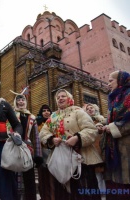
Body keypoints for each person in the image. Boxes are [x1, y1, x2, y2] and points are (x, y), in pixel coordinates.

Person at [39, 89, 103, 200]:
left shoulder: (78, 112)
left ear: (69, 98)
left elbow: (91, 130)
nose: (60, 98)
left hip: (82, 159)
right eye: (58, 97)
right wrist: (51, 139)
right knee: (64, 194)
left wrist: (77, 138)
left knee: (84, 193)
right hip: (62, 161)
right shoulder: (53, 116)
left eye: (63, 96)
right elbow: (43, 133)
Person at [100, 70, 130, 200]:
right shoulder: (114, 98)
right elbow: (112, 120)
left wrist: (112, 127)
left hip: (127, 148)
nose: (108, 84)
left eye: (111, 80)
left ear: (121, 80)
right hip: (113, 148)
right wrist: (104, 125)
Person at [9, 90, 42, 200]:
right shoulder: (11, 114)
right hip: (14, 147)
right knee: (14, 176)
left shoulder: (31, 117)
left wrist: (38, 155)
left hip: (27, 149)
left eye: (23, 99)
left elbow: (36, 136)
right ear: (15, 102)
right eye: (18, 100)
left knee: (29, 177)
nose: (21, 101)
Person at [85, 103, 106, 199]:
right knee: (97, 174)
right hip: (94, 150)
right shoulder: (86, 122)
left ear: (95, 109)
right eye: (87, 109)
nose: (90, 109)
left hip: (104, 149)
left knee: (105, 173)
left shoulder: (102, 120)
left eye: (91, 107)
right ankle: (101, 193)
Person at [36, 104, 55, 200]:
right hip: (42, 152)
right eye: (44, 111)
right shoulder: (38, 124)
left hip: (54, 151)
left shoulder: (54, 121)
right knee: (43, 177)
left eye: (48, 110)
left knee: (53, 176)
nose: (46, 112)